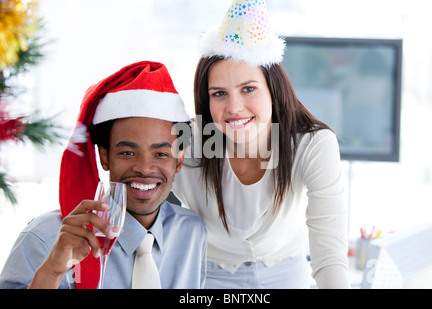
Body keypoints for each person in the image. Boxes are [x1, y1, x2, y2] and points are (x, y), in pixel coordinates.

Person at [172, 0, 350, 288]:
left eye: (248, 89)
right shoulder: (188, 140)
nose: (234, 107)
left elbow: (329, 254)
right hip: (210, 273)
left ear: (273, 89)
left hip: (287, 272)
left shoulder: (313, 144)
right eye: (219, 93)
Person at [0, 61, 207, 289]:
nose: (145, 168)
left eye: (160, 153)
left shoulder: (192, 232)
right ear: (105, 157)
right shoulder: (45, 238)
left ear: (179, 160)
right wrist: (51, 271)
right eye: (127, 152)